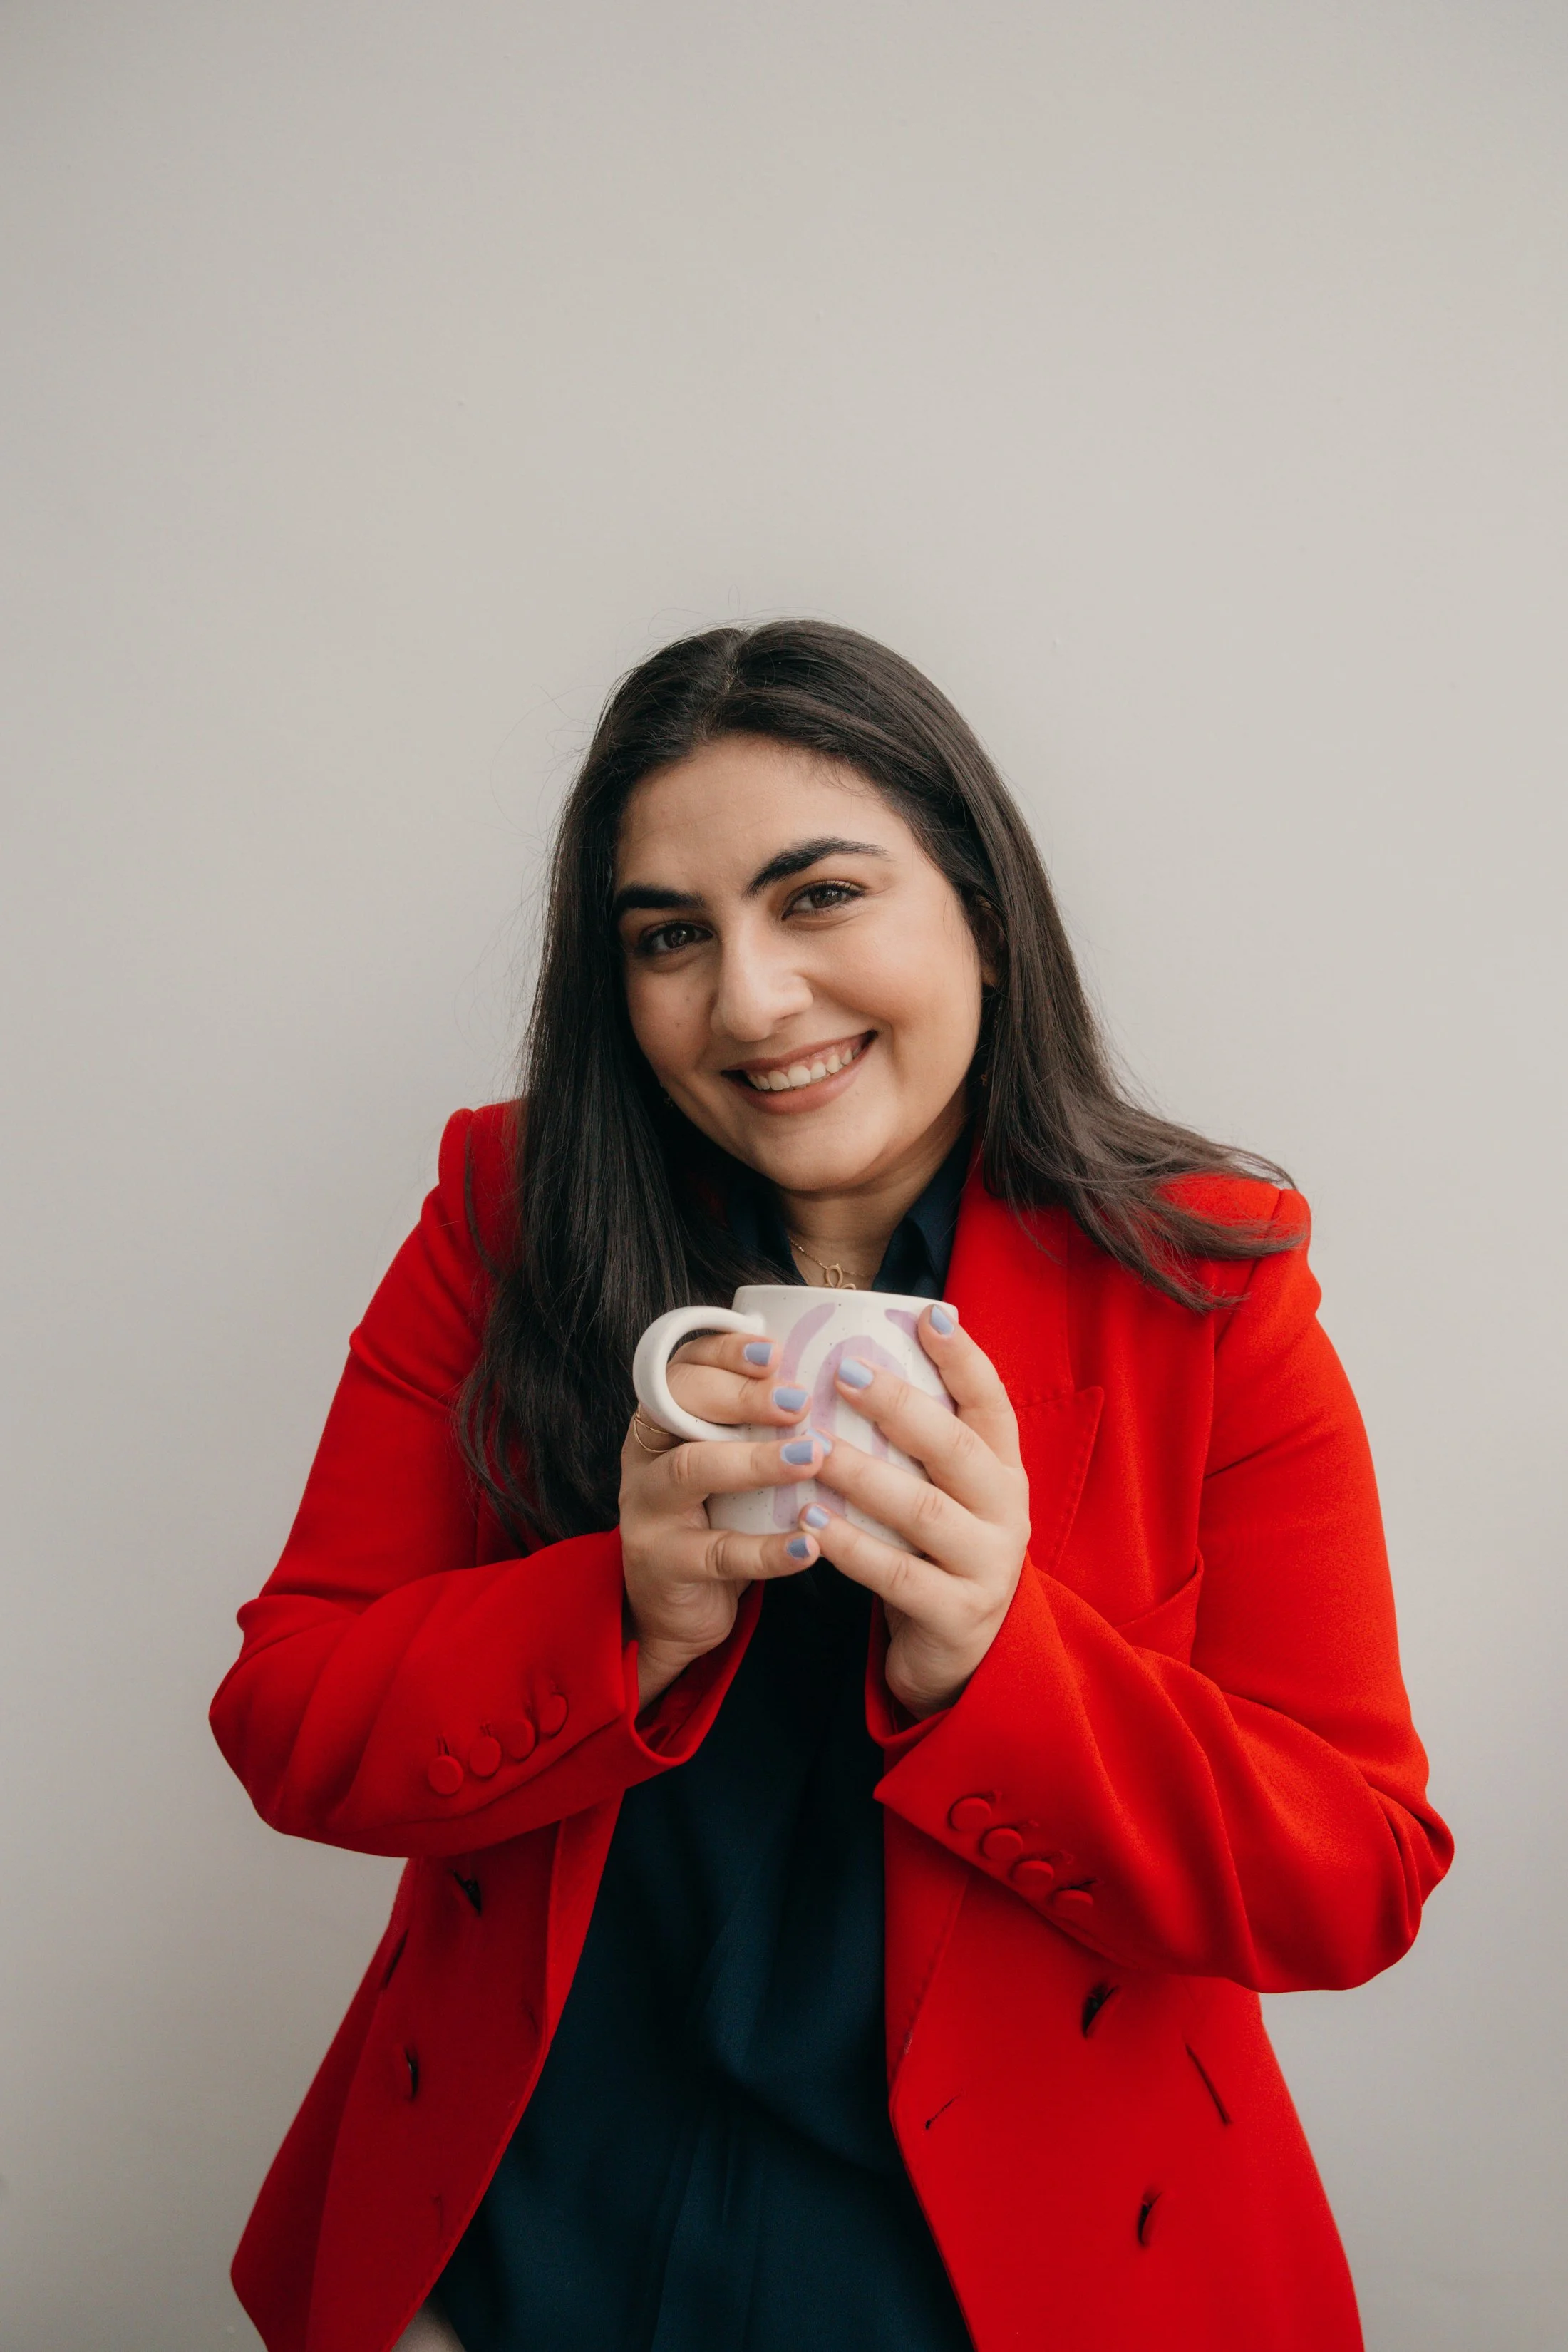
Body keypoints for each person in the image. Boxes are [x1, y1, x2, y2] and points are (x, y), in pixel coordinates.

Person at [210, 621, 1451, 2352]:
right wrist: (618, 1613)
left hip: (1000, 2275)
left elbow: (1353, 1878)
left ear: (985, 919)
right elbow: (288, 1714)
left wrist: (995, 1665)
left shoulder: (1206, 1283)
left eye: (817, 896)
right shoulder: (503, 1217)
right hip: (524, 2241)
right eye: (669, 936)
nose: (749, 1001)